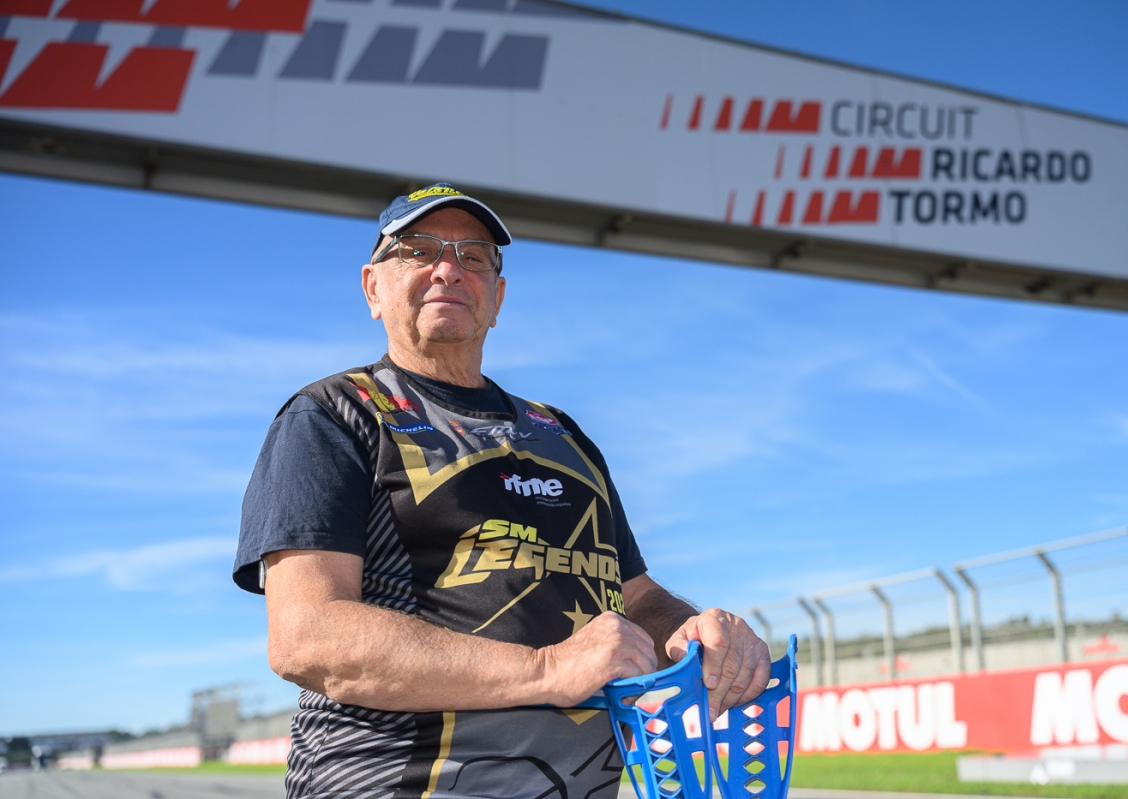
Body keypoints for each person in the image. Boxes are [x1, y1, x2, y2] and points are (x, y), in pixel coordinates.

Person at [233, 183, 771, 799]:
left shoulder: (562, 434)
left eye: (474, 256)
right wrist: (546, 670)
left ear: (498, 297)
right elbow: (307, 637)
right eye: (416, 249)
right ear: (371, 288)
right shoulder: (333, 415)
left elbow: (637, 599)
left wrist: (694, 630)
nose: (448, 269)